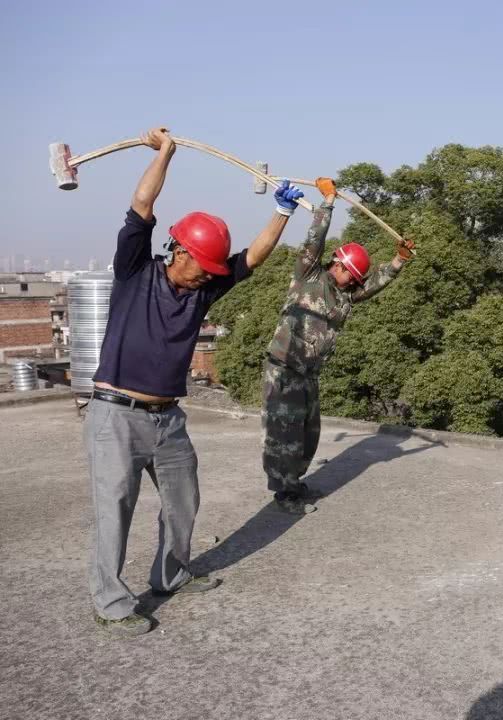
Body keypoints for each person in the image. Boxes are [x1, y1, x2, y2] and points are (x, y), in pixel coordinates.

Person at [85, 127, 305, 637]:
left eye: (212, 272)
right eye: (199, 267)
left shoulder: (202, 294)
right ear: (177, 250)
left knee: (183, 499)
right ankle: (112, 601)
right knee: (113, 510)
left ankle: (171, 574)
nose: (206, 277)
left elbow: (252, 257)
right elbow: (142, 201)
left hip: (168, 419)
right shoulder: (134, 268)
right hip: (115, 414)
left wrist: (283, 212)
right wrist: (166, 153)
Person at [262, 177, 415, 514]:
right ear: (339, 265)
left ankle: (295, 483)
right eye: (352, 276)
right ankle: (284, 493)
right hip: (284, 368)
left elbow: (374, 283)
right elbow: (313, 240)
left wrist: (399, 261)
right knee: (284, 434)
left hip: (309, 374)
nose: (355, 283)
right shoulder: (309, 275)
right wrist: (328, 203)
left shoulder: (346, 295)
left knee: (308, 434)